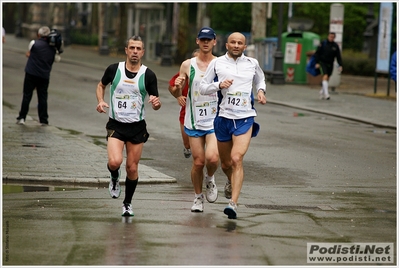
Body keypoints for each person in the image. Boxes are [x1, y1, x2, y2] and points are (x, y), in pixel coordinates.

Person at [199, 32, 267, 219]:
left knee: (237, 159)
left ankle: (233, 204)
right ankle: (230, 180)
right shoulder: (217, 63)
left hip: (245, 118)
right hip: (223, 118)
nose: (236, 45)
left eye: (240, 43)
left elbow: (260, 79)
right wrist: (219, 85)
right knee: (226, 163)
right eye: (233, 42)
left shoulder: (252, 63)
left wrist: (260, 91)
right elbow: (203, 87)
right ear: (226, 45)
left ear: (245, 47)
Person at [95, 35, 162, 217]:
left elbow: (156, 102)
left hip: (137, 127)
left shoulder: (148, 75)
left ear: (143, 52)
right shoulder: (114, 69)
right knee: (115, 162)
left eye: (138, 49)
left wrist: (156, 104)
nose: (135, 51)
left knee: (132, 168)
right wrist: (101, 101)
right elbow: (101, 85)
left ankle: (127, 203)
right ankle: (114, 177)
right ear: (126, 50)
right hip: (116, 125)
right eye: (132, 48)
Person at [171, 27, 219, 213]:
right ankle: (198, 197)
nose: (206, 42)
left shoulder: (221, 63)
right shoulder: (187, 65)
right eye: (202, 39)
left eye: (209, 39)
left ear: (215, 42)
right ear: (197, 41)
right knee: (198, 162)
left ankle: (210, 178)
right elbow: (176, 90)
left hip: (214, 119)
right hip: (194, 119)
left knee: (212, 158)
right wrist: (177, 89)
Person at [16, 26, 57, 125]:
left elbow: (29, 53)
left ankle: (22, 117)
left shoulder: (34, 43)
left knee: (27, 95)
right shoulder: (53, 48)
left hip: (31, 73)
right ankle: (43, 120)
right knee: (42, 97)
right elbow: (55, 59)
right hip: (44, 76)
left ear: (39, 35)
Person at [168, 48, 200, 159]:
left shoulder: (212, 71)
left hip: (207, 113)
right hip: (187, 112)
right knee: (188, 144)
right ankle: (187, 147)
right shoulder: (186, 72)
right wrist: (178, 95)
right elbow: (171, 87)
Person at [314, 32, 343, 100]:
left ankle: (322, 92)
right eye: (330, 36)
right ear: (328, 36)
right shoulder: (323, 43)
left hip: (330, 63)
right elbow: (317, 53)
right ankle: (326, 94)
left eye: (333, 37)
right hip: (323, 62)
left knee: (327, 78)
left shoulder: (335, 46)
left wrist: (340, 65)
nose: (331, 38)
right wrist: (317, 62)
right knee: (325, 75)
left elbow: (338, 56)